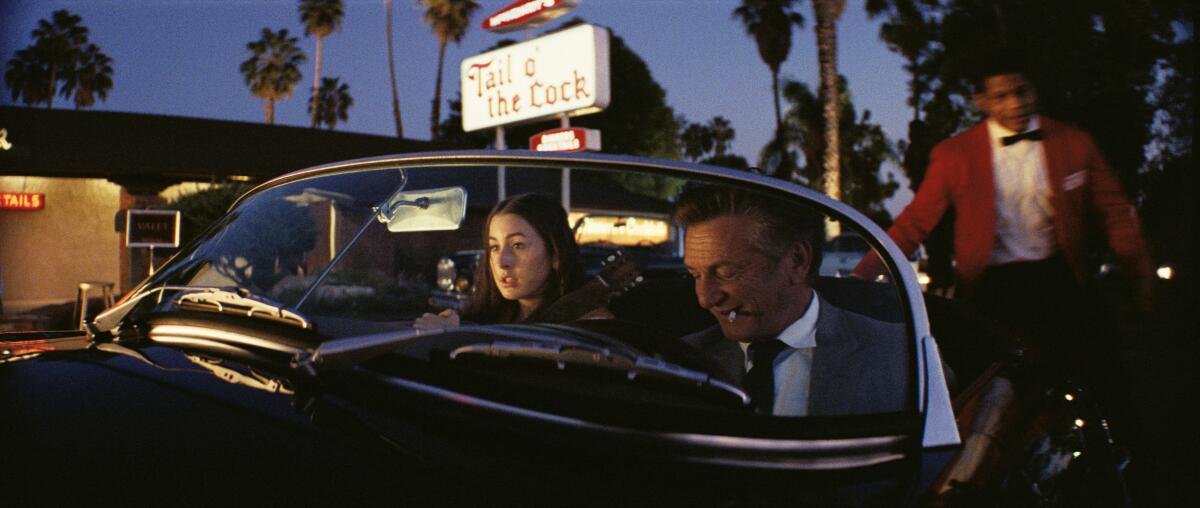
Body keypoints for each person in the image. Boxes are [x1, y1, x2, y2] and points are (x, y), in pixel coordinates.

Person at [675, 186, 908, 417]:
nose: (705, 299)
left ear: (797, 261)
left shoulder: (900, 354)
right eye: (696, 275)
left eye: (726, 272)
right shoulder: (680, 361)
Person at [415, 193, 611, 329]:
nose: (501, 262)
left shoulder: (590, 323)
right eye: (494, 247)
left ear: (556, 255)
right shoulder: (483, 318)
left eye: (518, 245)